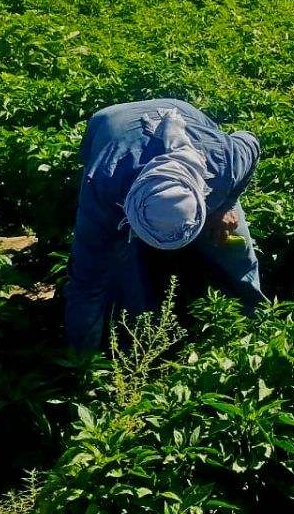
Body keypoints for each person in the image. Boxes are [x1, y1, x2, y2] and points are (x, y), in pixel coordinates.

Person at [63, 98, 265, 350]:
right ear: (129, 210)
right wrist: (83, 359)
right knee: (118, 265)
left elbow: (251, 142)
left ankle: (255, 322)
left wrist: (224, 206)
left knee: (235, 250)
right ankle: (137, 335)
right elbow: (86, 283)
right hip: (111, 125)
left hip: (183, 114)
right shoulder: (103, 186)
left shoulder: (221, 161)